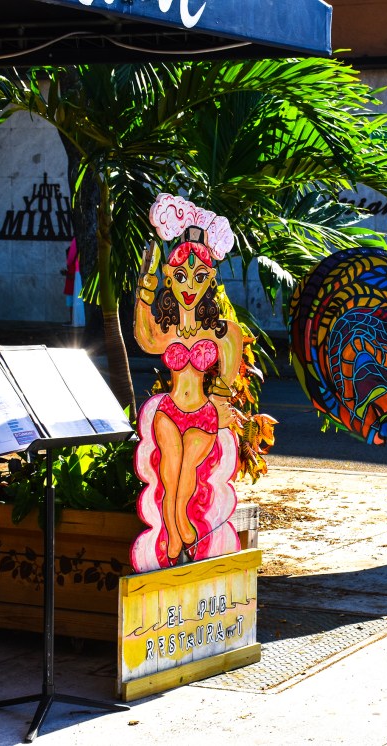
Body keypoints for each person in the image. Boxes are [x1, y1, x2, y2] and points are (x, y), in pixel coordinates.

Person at [132, 194, 244, 571]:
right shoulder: (167, 330)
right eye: (180, 276)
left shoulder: (220, 332)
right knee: (169, 472)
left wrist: (221, 400)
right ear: (170, 279)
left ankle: (179, 528)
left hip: (203, 416)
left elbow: (228, 373)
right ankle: (173, 540)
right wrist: (145, 290)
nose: (189, 285)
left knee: (185, 482)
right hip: (169, 412)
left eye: (199, 276)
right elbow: (144, 336)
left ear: (210, 279)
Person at [60, 237, 85, 327]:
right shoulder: (70, 265)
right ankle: (71, 320)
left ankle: (72, 320)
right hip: (69, 289)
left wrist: (66, 274)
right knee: (70, 305)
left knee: (71, 305)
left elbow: (73, 276)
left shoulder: (73, 265)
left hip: (71, 289)